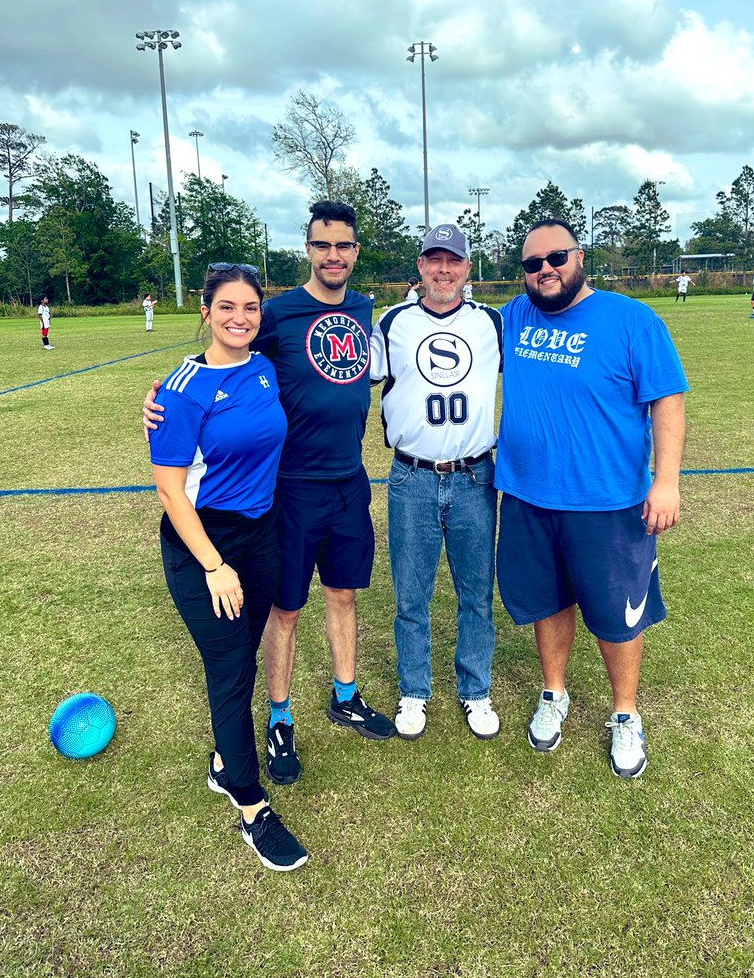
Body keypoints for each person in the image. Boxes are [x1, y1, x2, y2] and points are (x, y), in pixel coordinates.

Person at [144, 201, 395, 791]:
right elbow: (219, 365)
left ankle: (346, 695)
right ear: (307, 249)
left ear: (356, 252)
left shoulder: (362, 307)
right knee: (286, 607)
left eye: (344, 246)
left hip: (350, 481)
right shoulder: (276, 313)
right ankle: (280, 718)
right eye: (322, 245)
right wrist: (159, 399)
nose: (333, 256)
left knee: (343, 594)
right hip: (291, 489)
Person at [494, 219, 688, 779]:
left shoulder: (631, 319)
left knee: (616, 615)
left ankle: (625, 713)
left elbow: (667, 401)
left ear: (579, 257)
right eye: (532, 264)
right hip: (529, 497)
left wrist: (667, 479)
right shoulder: (511, 319)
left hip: (607, 502)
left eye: (555, 257)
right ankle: (554, 693)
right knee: (549, 601)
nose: (545, 270)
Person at [149, 265, 307, 871]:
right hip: (203, 546)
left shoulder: (262, 364)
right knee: (230, 670)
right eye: (226, 308)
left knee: (244, 650)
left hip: (261, 535)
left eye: (250, 307)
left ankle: (223, 761)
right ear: (206, 312)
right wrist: (214, 565)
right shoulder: (182, 390)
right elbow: (169, 491)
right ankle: (250, 805)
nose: (239, 318)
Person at [370, 224, 502, 741]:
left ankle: (475, 690)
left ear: (468, 269)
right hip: (412, 476)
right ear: (420, 266)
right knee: (411, 595)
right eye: (433, 260)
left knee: (476, 593)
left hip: (475, 476)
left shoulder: (492, 322)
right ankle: (414, 691)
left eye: (454, 261)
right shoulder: (393, 321)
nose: (443, 270)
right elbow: (346, 375)